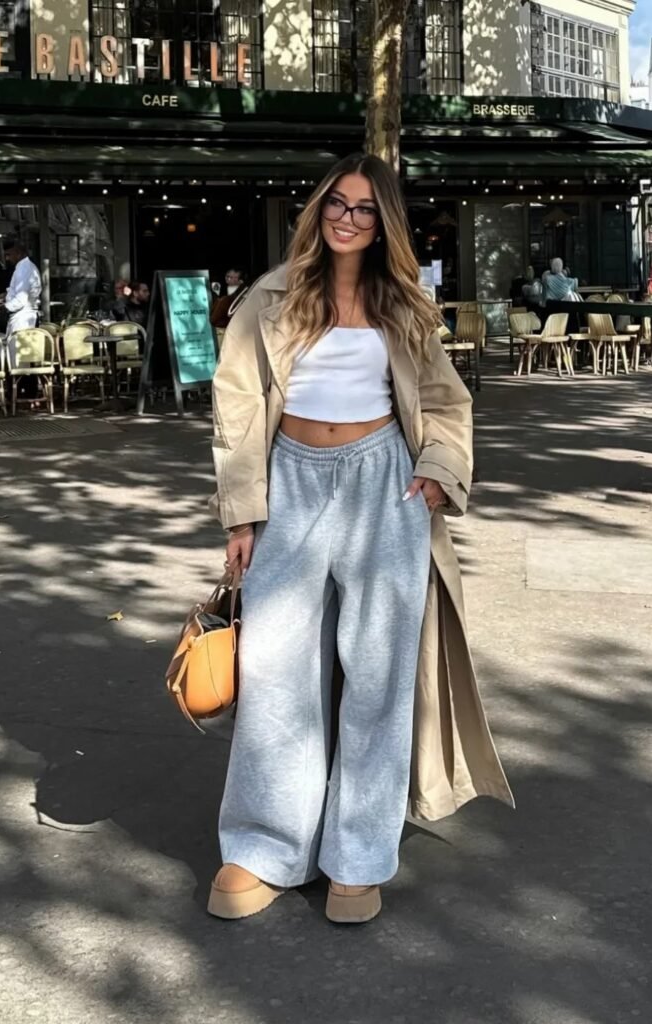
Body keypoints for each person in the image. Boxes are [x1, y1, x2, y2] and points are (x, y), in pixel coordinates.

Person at [208, 153, 513, 925]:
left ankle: (357, 856)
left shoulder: (404, 304)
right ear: (318, 212)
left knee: (377, 678)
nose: (347, 218)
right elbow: (237, 404)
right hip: (291, 481)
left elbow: (446, 400)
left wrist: (439, 470)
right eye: (336, 204)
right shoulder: (270, 296)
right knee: (273, 668)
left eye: (364, 209)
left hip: (385, 482)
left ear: (384, 224)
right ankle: (263, 846)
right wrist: (242, 514)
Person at [3, 238, 41, 367]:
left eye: (9, 254)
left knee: (20, 362)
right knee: (21, 360)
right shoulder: (25, 267)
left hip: (22, 319)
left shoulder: (24, 269)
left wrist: (2, 307)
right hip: (23, 317)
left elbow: (20, 299)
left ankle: (20, 386)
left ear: (18, 253)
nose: (7, 259)